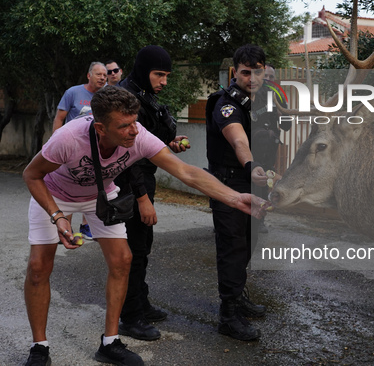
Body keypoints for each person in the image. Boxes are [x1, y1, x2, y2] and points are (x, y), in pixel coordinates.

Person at [22, 85, 266, 366]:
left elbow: (186, 172)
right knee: (39, 267)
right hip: (55, 196)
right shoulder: (68, 138)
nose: (134, 130)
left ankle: (110, 342)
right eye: (124, 126)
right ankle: (39, 347)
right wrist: (57, 215)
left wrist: (235, 198)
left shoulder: (139, 136)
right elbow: (32, 175)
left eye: (135, 121)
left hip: (99, 196)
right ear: (101, 129)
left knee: (123, 259)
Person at [206, 44, 287, 341]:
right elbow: (238, 138)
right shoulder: (225, 103)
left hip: (256, 182)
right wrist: (251, 164)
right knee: (232, 247)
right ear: (234, 72)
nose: (251, 78)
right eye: (245, 72)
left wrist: (269, 172)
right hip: (229, 183)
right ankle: (228, 316)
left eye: (257, 71)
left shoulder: (266, 100)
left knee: (249, 243)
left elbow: (272, 139)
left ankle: (238, 297)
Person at [114, 45, 188, 341]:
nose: (164, 81)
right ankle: (130, 317)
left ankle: (139, 303)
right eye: (160, 74)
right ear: (144, 70)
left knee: (142, 246)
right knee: (132, 249)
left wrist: (171, 143)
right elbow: (126, 157)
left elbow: (151, 139)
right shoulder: (125, 99)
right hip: (129, 183)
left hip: (143, 178)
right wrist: (142, 198)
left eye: (167, 75)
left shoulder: (143, 96)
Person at [52, 61, 107, 240]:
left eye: (105, 75)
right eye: (99, 74)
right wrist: (56, 142)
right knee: (67, 187)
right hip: (71, 149)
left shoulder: (107, 95)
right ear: (89, 75)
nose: (103, 78)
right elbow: (59, 118)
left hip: (96, 150)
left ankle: (86, 227)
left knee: (91, 186)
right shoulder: (73, 92)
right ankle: (65, 230)